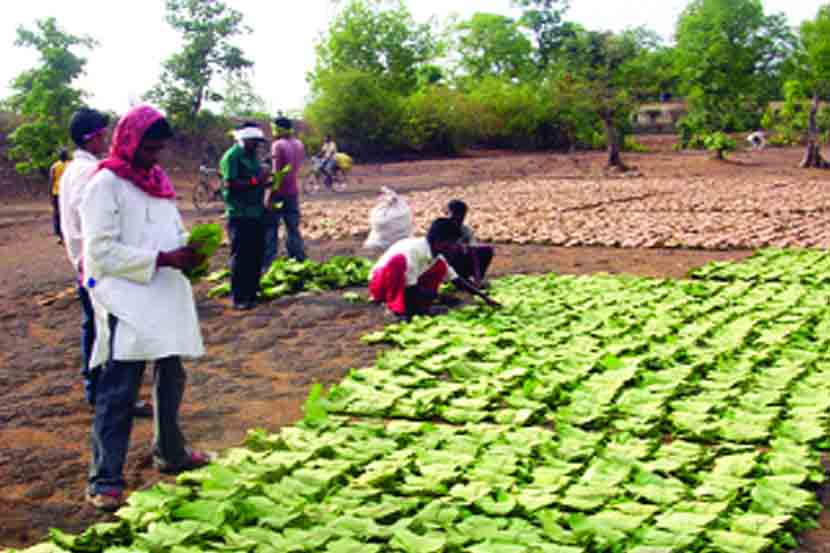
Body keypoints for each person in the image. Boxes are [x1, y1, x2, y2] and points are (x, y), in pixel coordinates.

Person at [80, 105, 211, 510]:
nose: (155, 157)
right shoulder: (105, 184)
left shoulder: (157, 180)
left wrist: (189, 251)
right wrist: (160, 259)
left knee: (171, 381)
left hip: (166, 297)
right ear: (129, 141)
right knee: (119, 391)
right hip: (128, 299)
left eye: (160, 150)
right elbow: (99, 252)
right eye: (149, 149)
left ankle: (170, 453)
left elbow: (168, 230)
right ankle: (105, 479)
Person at [60, 108, 153, 417]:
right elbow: (94, 220)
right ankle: (111, 397)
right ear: (95, 137)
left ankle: (98, 391)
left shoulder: (71, 169)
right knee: (110, 332)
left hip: (84, 263)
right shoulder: (91, 173)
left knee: (95, 328)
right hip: (98, 267)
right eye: (103, 133)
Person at [369, 218, 500, 321]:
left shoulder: (436, 255)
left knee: (440, 267)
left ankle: (419, 305)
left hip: (405, 284)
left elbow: (456, 280)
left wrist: (484, 297)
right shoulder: (412, 252)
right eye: (453, 242)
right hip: (381, 286)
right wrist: (434, 301)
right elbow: (410, 290)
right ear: (440, 241)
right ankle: (397, 309)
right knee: (399, 262)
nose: (456, 246)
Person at [220, 122, 269, 310]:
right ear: (243, 139)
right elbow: (231, 185)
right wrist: (257, 180)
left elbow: (257, 181)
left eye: (258, 142)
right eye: (254, 142)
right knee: (241, 256)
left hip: (256, 211)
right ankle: (239, 297)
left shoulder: (253, 157)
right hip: (239, 213)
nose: (257, 145)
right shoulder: (231, 157)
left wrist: (267, 180)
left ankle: (252, 292)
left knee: (256, 253)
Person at [264, 116, 306, 268]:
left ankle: (267, 263)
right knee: (293, 227)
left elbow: (277, 174)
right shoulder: (299, 144)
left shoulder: (277, 145)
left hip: (278, 192)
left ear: (278, 129)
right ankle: (298, 258)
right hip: (293, 191)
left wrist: (269, 196)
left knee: (271, 227)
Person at [444, 199, 495, 287]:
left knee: (487, 250)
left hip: (459, 265)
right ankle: (452, 280)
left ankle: (468, 280)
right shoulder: (440, 229)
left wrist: (477, 279)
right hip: (445, 266)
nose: (458, 220)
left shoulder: (465, 230)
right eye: (454, 216)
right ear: (448, 214)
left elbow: (474, 252)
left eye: (461, 217)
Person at [49, 149, 70, 243]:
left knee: (57, 214)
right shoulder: (71, 165)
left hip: (57, 193)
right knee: (67, 213)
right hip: (68, 193)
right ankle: (67, 235)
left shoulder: (54, 166)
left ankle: (60, 235)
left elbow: (51, 181)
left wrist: (50, 194)